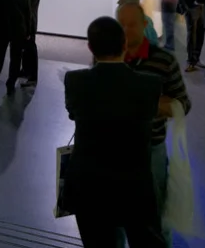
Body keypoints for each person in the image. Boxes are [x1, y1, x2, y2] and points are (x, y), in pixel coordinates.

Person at [62, 16, 165, 247]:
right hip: (135, 187)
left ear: (90, 47)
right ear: (124, 44)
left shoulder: (75, 81)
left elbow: (73, 112)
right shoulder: (150, 85)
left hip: (89, 186)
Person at [116, 2, 191, 247]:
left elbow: (183, 104)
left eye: (132, 24)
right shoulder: (108, 57)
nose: (126, 30)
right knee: (116, 212)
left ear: (145, 24)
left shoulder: (164, 61)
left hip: (152, 149)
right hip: (115, 150)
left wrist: (152, 103)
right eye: (121, 25)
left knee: (154, 213)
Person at [20, 0, 41, 88]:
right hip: (25, 24)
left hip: (29, 25)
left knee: (31, 50)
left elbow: (29, 11)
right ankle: (25, 70)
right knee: (26, 50)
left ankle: (33, 77)